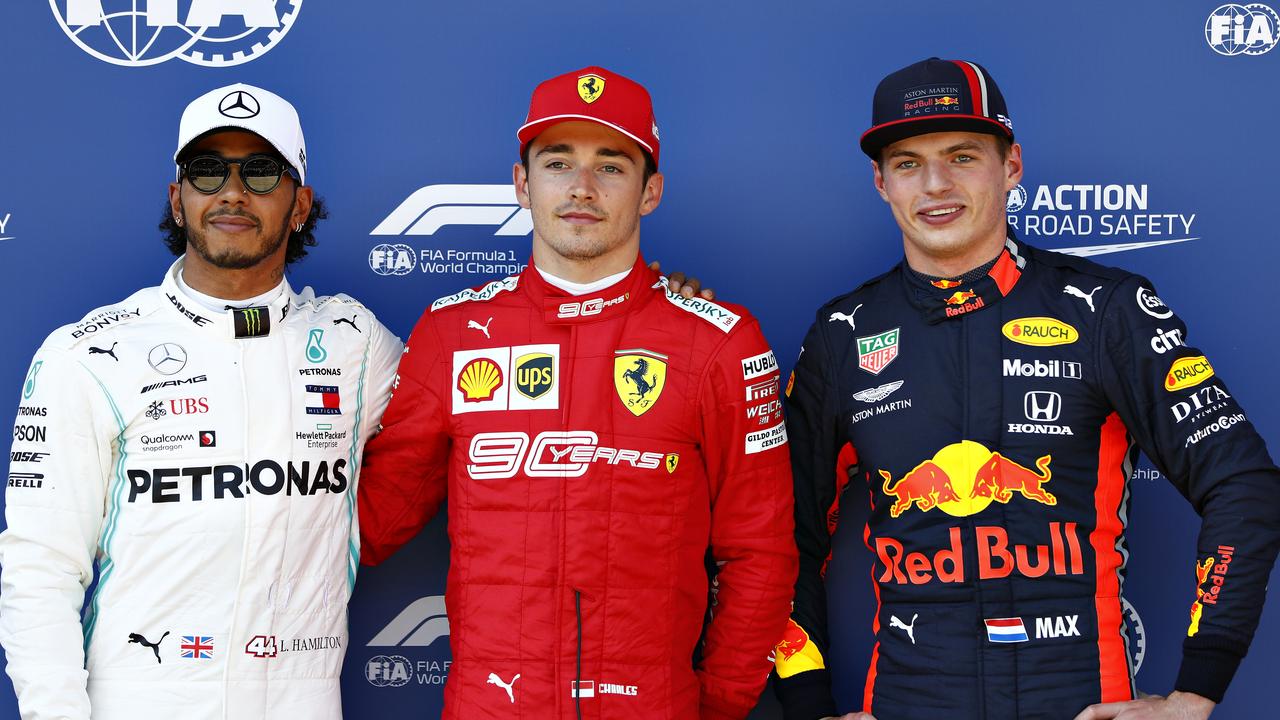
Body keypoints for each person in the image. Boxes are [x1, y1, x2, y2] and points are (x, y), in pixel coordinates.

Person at [773, 58, 1280, 720]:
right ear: (881, 182)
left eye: (962, 156)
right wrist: (808, 703)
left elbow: (1243, 482)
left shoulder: (1106, 310)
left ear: (1011, 165)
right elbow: (779, 535)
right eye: (907, 163)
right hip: (908, 700)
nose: (935, 184)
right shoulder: (844, 332)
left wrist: (1197, 689)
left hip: (1077, 701)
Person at [357, 65, 798, 719]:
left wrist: (722, 704)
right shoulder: (453, 333)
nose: (582, 188)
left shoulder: (719, 342)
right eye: (558, 162)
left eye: (611, 166)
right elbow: (368, 523)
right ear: (521, 183)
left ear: (651, 191)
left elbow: (760, 550)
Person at [0, 83, 404, 719]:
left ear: (300, 204)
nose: (233, 192)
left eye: (261, 172)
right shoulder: (90, 353)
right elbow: (39, 568)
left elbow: (457, 428)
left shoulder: (356, 345)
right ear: (177, 198)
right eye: (208, 170)